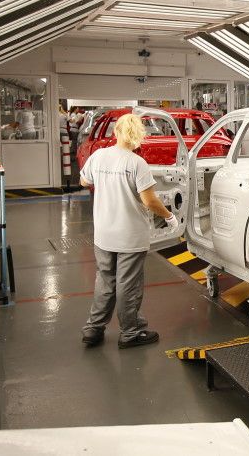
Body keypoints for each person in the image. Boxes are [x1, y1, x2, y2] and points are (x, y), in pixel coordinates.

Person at [80, 113, 178, 349]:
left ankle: (93, 329)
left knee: (105, 281)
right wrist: (170, 216)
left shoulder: (99, 156)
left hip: (104, 233)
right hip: (130, 236)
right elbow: (150, 201)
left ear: (116, 132)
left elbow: (84, 181)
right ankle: (131, 333)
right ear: (139, 136)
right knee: (128, 285)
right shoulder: (136, 163)